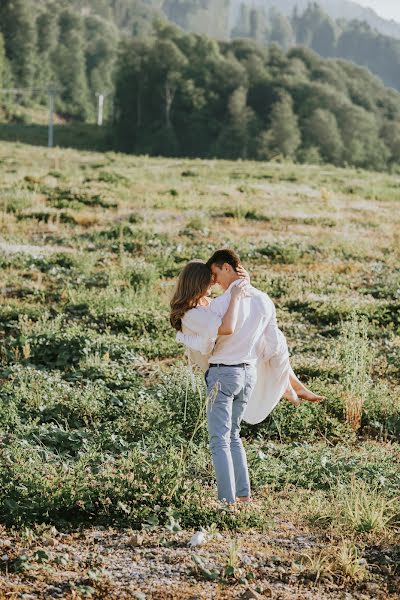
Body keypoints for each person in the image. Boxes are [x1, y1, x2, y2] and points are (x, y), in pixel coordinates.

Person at [170, 249, 323, 505]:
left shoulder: (217, 307)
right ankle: (243, 496)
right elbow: (271, 341)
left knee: (219, 440)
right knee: (233, 436)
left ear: (226, 268)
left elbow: (220, 333)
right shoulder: (258, 299)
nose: (214, 283)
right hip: (247, 374)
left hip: (222, 374)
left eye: (215, 276)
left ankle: (227, 502)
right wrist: (242, 286)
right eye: (208, 281)